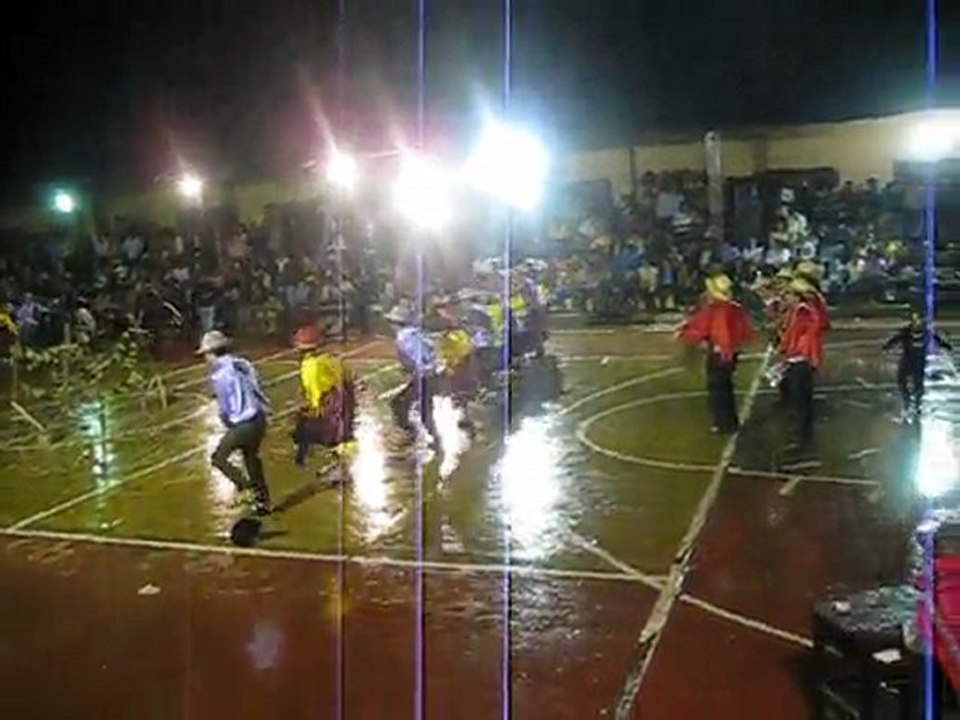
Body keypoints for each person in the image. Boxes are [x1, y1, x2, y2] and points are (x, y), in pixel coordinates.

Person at [199, 330, 272, 515]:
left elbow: (226, 409)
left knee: (219, 458)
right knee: (251, 458)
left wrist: (227, 420)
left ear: (211, 353)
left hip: (244, 423)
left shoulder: (220, 375)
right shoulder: (241, 363)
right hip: (258, 419)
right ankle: (263, 500)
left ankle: (246, 489)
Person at [678, 273, 754, 434]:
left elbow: (702, 329)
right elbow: (744, 331)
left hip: (720, 353)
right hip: (731, 353)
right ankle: (730, 421)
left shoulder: (715, 309)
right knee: (726, 387)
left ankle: (722, 423)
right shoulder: (735, 308)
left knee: (717, 389)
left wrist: (686, 334)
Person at [291, 324, 357, 481]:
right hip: (343, 399)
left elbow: (315, 391)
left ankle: (342, 469)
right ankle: (339, 465)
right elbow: (348, 377)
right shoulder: (329, 359)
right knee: (337, 434)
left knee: (329, 434)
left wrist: (313, 408)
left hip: (330, 402)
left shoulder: (310, 366)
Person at [778, 277, 830, 447]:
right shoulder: (798, 311)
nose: (786, 297)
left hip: (800, 360)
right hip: (798, 359)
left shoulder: (804, 313)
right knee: (800, 399)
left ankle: (802, 437)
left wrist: (788, 349)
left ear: (797, 296)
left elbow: (804, 334)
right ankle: (802, 433)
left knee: (800, 400)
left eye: (789, 294)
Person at [883, 311, 953, 418]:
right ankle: (907, 402)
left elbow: (937, 340)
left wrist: (945, 346)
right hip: (907, 361)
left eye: (919, 321)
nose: (917, 324)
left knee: (918, 387)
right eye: (915, 321)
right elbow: (896, 339)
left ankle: (917, 405)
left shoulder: (927, 333)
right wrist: (888, 346)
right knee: (902, 382)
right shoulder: (906, 332)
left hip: (918, 363)